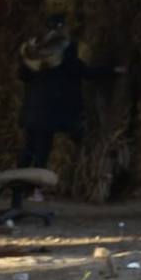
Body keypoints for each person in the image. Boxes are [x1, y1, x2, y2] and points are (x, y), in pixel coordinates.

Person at [17, 15, 124, 198]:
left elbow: (23, 75)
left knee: (28, 150)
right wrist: (113, 70)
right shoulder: (65, 48)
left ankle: (18, 191)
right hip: (50, 110)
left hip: (32, 108)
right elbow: (82, 71)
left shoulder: (31, 49)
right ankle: (36, 191)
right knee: (42, 151)